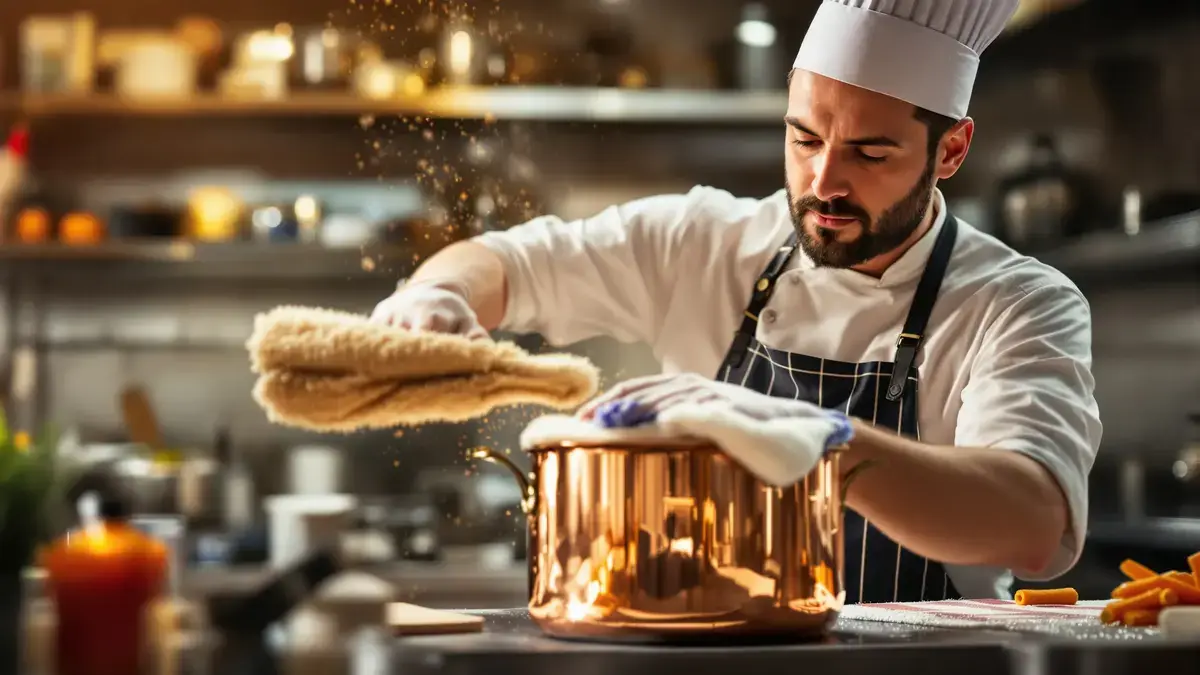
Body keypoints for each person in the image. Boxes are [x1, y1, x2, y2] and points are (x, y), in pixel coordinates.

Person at [370, 0, 1101, 603]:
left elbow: (1031, 518)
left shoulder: (1018, 302)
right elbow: (507, 260)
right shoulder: (704, 241)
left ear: (951, 151)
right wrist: (436, 295)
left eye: (871, 153)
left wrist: (810, 436)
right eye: (804, 137)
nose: (825, 181)